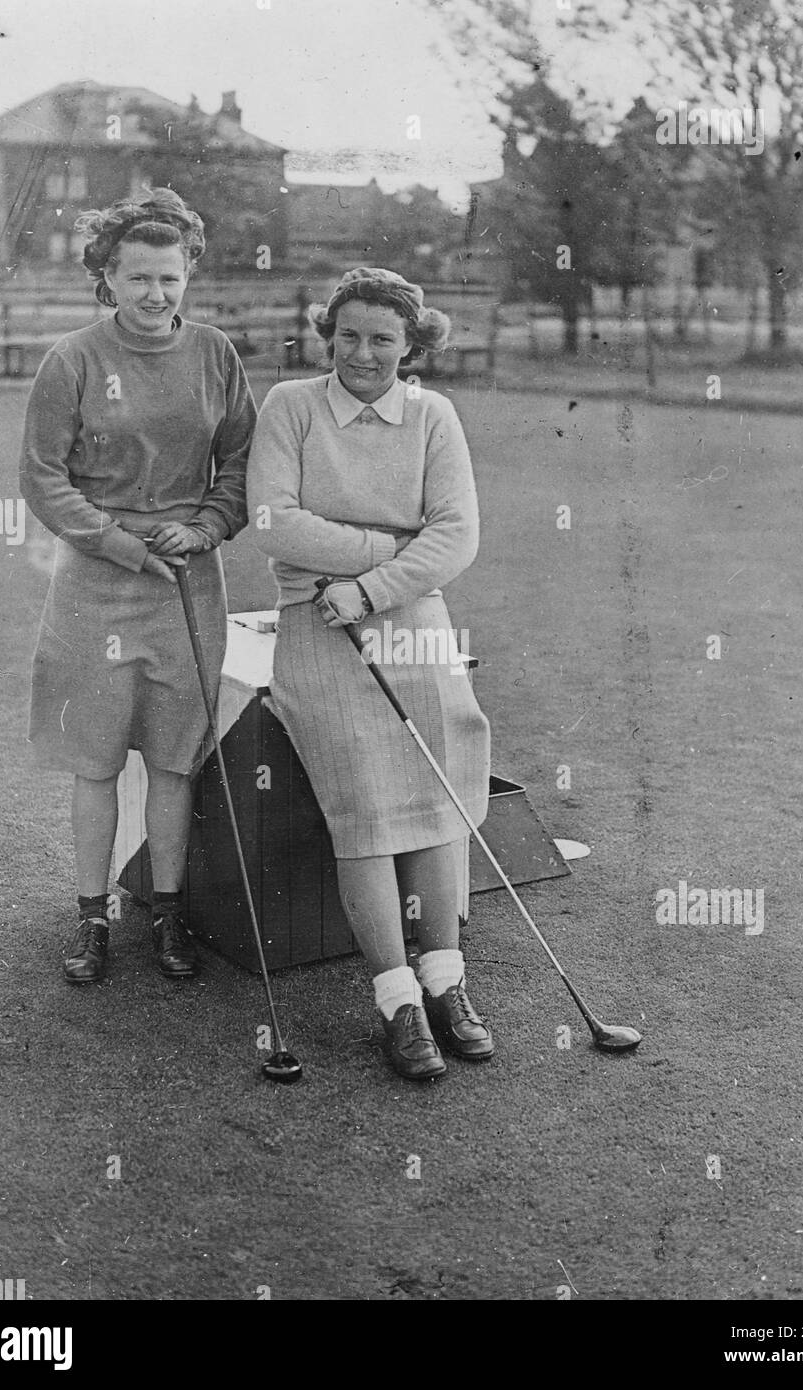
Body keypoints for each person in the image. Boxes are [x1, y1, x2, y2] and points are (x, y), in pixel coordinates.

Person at [248, 266, 492, 1080]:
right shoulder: (290, 405)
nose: (363, 351)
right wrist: (382, 552)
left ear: (411, 344)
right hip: (314, 617)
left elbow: (456, 535)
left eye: (383, 338)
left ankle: (446, 984)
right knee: (363, 805)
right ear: (328, 335)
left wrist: (375, 586)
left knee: (435, 789)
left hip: (411, 615)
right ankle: (396, 1002)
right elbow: (271, 519)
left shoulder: (434, 416)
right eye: (347, 334)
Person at [19, 188, 256, 985]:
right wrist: (120, 544)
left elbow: (242, 466)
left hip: (188, 578)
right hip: (95, 582)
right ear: (107, 280)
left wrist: (208, 527)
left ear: (189, 276)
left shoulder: (217, 354)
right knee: (95, 764)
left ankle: (168, 916)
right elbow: (44, 478)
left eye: (170, 279)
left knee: (175, 763)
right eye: (138, 279)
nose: (156, 295)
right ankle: (92, 919)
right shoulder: (74, 360)